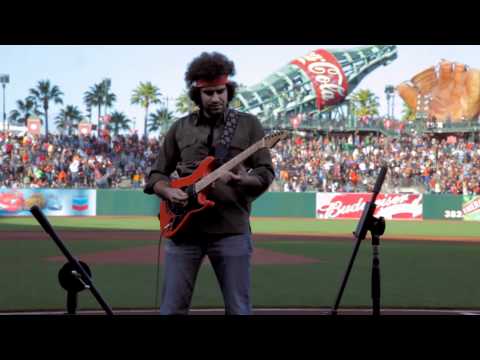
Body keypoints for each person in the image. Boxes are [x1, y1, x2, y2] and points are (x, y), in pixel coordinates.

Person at [144, 52, 274, 315]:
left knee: (238, 309)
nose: (216, 98)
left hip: (231, 229)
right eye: (209, 93)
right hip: (183, 230)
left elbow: (265, 172)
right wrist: (168, 191)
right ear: (197, 95)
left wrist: (243, 179)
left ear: (228, 90)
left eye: (220, 91)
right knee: (171, 309)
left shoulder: (248, 125)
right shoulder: (180, 128)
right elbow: (156, 174)